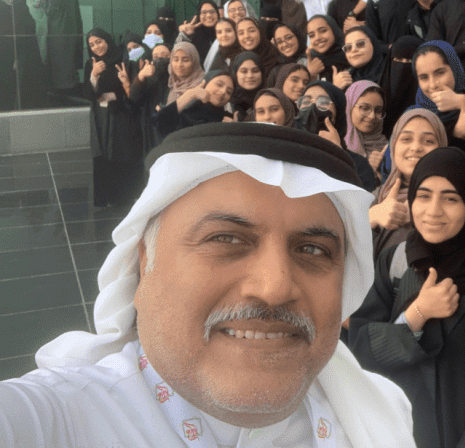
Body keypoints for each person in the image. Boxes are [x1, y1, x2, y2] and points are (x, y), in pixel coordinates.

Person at [0, 123, 417, 447]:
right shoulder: (56, 421)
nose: (274, 288)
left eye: (312, 250)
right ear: (144, 265)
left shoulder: (382, 413)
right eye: (226, 239)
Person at [350, 146, 465, 448]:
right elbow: (361, 351)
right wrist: (415, 316)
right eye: (423, 196)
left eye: (450, 198)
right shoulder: (396, 263)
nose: (433, 210)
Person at [369, 108, 448, 256]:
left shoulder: (452, 200)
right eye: (406, 139)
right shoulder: (378, 195)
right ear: (393, 147)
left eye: (428, 141)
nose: (416, 147)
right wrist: (373, 216)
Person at [84, 28, 143, 208]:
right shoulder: (91, 64)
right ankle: (106, 197)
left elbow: (129, 89)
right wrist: (94, 75)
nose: (97, 47)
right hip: (100, 116)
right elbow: (88, 94)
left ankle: (122, 197)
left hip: (121, 113)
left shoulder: (121, 59)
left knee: (120, 151)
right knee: (102, 153)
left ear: (107, 40)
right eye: (92, 45)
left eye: (99, 42)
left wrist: (113, 96)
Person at [297, 80, 377, 192]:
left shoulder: (358, 164)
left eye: (323, 102)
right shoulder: (288, 153)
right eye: (306, 102)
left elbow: (360, 198)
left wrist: (337, 154)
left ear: (337, 113)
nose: (313, 106)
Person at [152, 68, 234, 138]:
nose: (223, 91)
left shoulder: (228, 120)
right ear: (205, 82)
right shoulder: (186, 112)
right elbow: (159, 124)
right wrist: (190, 94)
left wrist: (234, 129)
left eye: (229, 92)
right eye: (219, 84)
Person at [379, 36, 424, 137]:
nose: (403, 66)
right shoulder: (377, 97)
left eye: (410, 61)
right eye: (398, 59)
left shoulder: (429, 104)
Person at [344, 80, 387, 179]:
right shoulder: (334, 144)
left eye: (378, 110)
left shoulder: (387, 149)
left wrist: (382, 172)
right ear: (349, 106)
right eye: (364, 108)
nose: (372, 116)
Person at [305, 15, 349, 82]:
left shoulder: (351, 53)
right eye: (312, 35)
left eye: (323, 31)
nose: (317, 38)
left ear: (334, 30)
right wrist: (310, 75)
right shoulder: (309, 62)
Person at [229, 51, 267, 121]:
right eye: (244, 71)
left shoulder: (271, 99)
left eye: (255, 71)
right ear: (235, 74)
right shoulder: (226, 102)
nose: (250, 76)